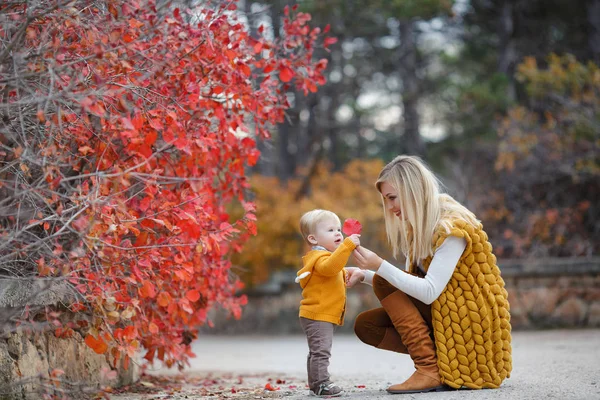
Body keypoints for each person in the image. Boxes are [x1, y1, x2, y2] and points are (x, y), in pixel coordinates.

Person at [346, 155, 512, 394]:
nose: (390, 207)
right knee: (367, 325)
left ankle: (429, 370)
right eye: (386, 200)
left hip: (471, 323)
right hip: (444, 313)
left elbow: (429, 291)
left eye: (392, 198)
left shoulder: (451, 227)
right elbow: (410, 285)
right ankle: (439, 364)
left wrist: (380, 266)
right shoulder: (418, 229)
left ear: (412, 190)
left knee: (384, 279)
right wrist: (364, 274)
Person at [296, 209, 361, 397]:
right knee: (321, 351)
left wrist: (350, 272)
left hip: (319, 314)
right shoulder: (319, 258)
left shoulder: (324, 258)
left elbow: (335, 270)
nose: (338, 233)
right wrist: (347, 246)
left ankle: (315, 384)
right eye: (331, 230)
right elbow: (330, 267)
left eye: (339, 229)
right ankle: (321, 384)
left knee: (317, 351)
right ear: (313, 239)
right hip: (317, 314)